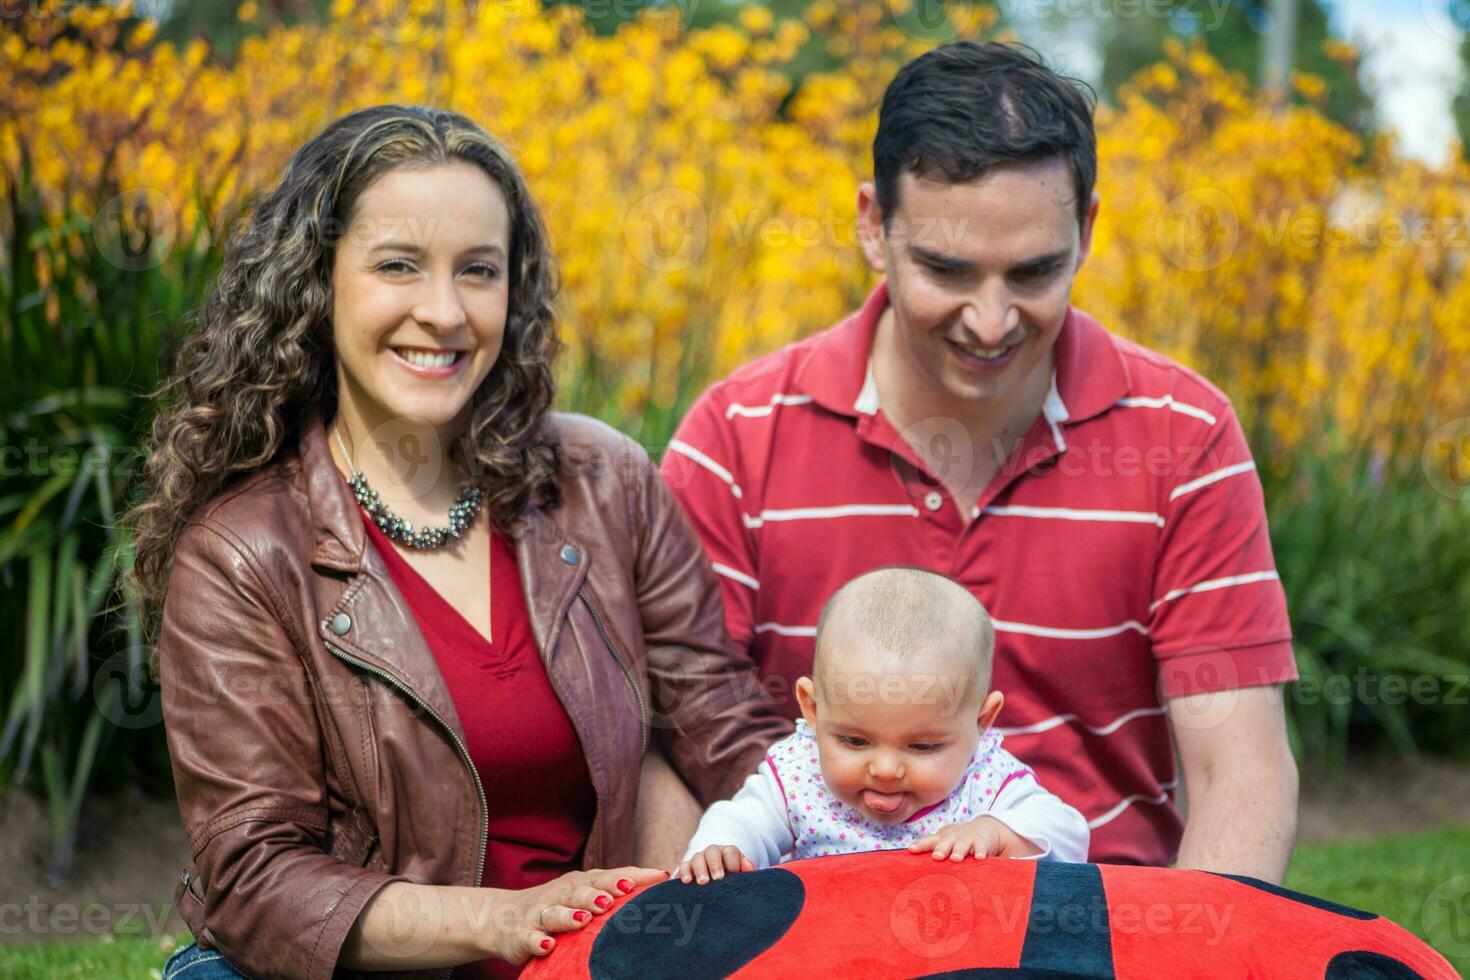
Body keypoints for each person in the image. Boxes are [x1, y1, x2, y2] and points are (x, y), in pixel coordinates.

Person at [127, 104, 791, 980]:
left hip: (600, 957)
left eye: (477, 271)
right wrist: (507, 919)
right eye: (398, 266)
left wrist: (891, 824)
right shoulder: (243, 552)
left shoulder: (607, 481)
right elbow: (257, 876)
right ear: (317, 282)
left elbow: (724, 725)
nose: (443, 313)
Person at [660, 41, 1299, 881]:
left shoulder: (1185, 436)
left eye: (1034, 271)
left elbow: (1238, 769)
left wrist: (1193, 949)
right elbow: (667, 742)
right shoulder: (735, 438)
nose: (992, 321)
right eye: (947, 270)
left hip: (1088, 929)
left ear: (1088, 231)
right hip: (810, 935)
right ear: (871, 228)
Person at [677, 567, 1089, 883]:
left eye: (923, 747)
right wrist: (722, 848)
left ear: (981, 722)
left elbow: (1069, 834)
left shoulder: (984, 779)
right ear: (813, 709)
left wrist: (996, 832)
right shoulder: (798, 772)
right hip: (828, 943)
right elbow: (743, 818)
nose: (886, 769)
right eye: (855, 741)